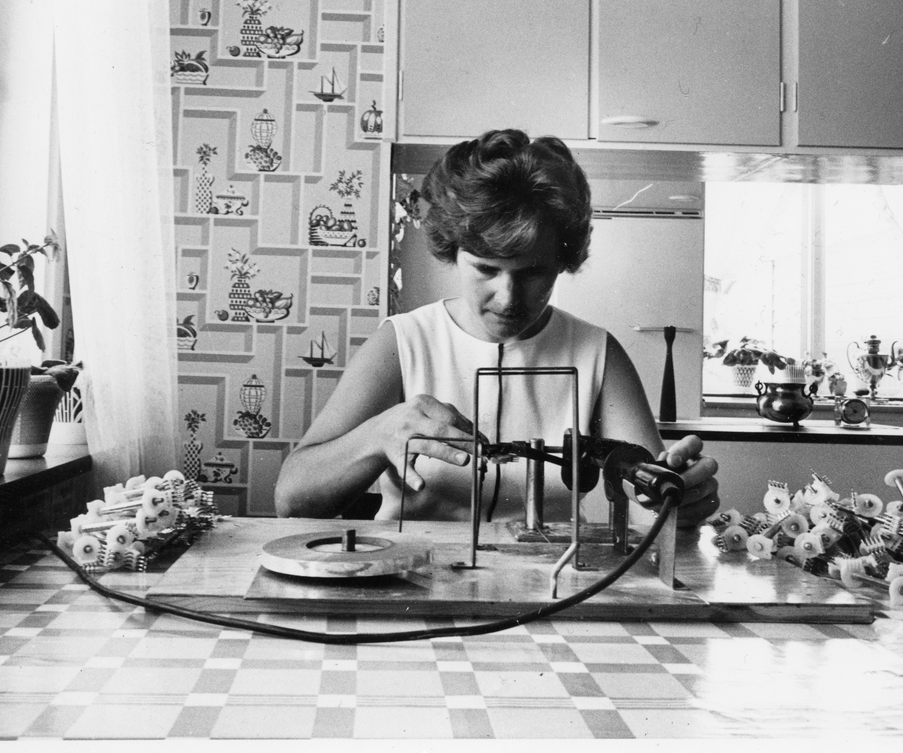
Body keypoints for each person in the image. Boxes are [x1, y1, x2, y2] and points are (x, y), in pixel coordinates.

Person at [275, 129, 718, 527]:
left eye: (533, 272)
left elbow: (649, 503)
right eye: (486, 269)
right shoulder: (403, 341)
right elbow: (291, 500)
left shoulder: (597, 352)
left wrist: (678, 497)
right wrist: (377, 435)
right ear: (453, 252)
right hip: (414, 576)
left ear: (563, 262)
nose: (508, 298)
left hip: (551, 579)